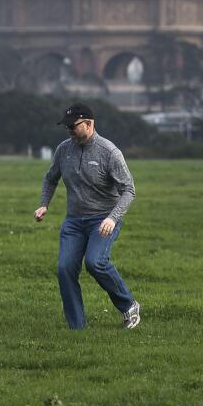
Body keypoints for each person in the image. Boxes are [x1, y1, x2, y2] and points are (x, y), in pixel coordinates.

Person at [35, 102, 141, 331]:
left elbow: (129, 190)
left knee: (95, 263)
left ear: (89, 124)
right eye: (67, 127)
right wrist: (44, 204)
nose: (69, 131)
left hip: (103, 219)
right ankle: (77, 329)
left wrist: (112, 218)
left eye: (73, 127)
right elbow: (51, 178)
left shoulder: (109, 152)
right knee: (65, 269)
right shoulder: (64, 149)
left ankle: (129, 305)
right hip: (74, 221)